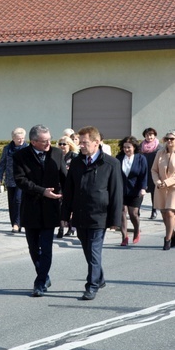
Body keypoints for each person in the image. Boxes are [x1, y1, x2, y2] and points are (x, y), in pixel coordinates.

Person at [61, 126, 123, 300]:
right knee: (88, 250)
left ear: (96, 143)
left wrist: (115, 220)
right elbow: (69, 190)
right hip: (80, 215)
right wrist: (65, 216)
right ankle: (100, 278)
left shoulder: (111, 163)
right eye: (79, 142)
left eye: (84, 142)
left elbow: (116, 192)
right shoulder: (76, 162)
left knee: (94, 250)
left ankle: (92, 285)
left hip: (100, 215)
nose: (80, 145)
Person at [12, 125, 67, 297]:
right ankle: (43, 274)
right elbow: (20, 180)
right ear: (33, 141)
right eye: (44, 141)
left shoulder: (57, 153)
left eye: (50, 139)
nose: (48, 143)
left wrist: (67, 201)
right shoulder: (20, 156)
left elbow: (64, 177)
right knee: (34, 248)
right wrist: (41, 190)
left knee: (47, 248)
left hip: (51, 208)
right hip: (31, 208)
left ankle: (40, 281)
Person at [116, 136, 148, 246]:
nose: (126, 149)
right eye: (124, 147)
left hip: (136, 190)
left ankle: (136, 230)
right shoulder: (119, 158)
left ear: (134, 147)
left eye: (128, 147)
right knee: (121, 212)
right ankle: (124, 237)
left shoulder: (140, 158)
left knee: (133, 213)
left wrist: (143, 188)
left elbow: (144, 175)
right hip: (121, 190)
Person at [0, 127, 28, 232]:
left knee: (18, 200)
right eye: (19, 139)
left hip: (22, 180)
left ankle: (17, 223)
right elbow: (2, 164)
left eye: (23, 138)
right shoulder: (7, 149)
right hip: (10, 180)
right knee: (12, 202)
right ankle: (14, 222)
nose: (21, 140)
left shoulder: (27, 148)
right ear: (13, 138)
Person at [150, 130, 175, 250]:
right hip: (160, 187)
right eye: (167, 139)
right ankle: (173, 234)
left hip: (173, 188)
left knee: (170, 212)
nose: (169, 141)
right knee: (164, 213)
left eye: (172, 139)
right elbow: (154, 170)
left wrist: (167, 182)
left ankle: (167, 239)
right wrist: (158, 182)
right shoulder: (160, 153)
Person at [56, 136, 79, 238]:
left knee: (71, 207)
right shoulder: (56, 156)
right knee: (60, 206)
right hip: (60, 184)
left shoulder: (74, 156)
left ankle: (71, 227)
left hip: (71, 185)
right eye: (60, 144)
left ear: (69, 145)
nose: (62, 146)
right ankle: (60, 228)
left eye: (64, 144)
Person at [140, 127, 162, 219]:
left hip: (154, 172)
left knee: (154, 193)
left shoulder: (159, 147)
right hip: (142, 172)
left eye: (151, 135)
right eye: (147, 135)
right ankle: (136, 210)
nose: (149, 137)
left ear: (154, 135)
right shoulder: (140, 146)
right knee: (140, 191)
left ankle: (154, 211)